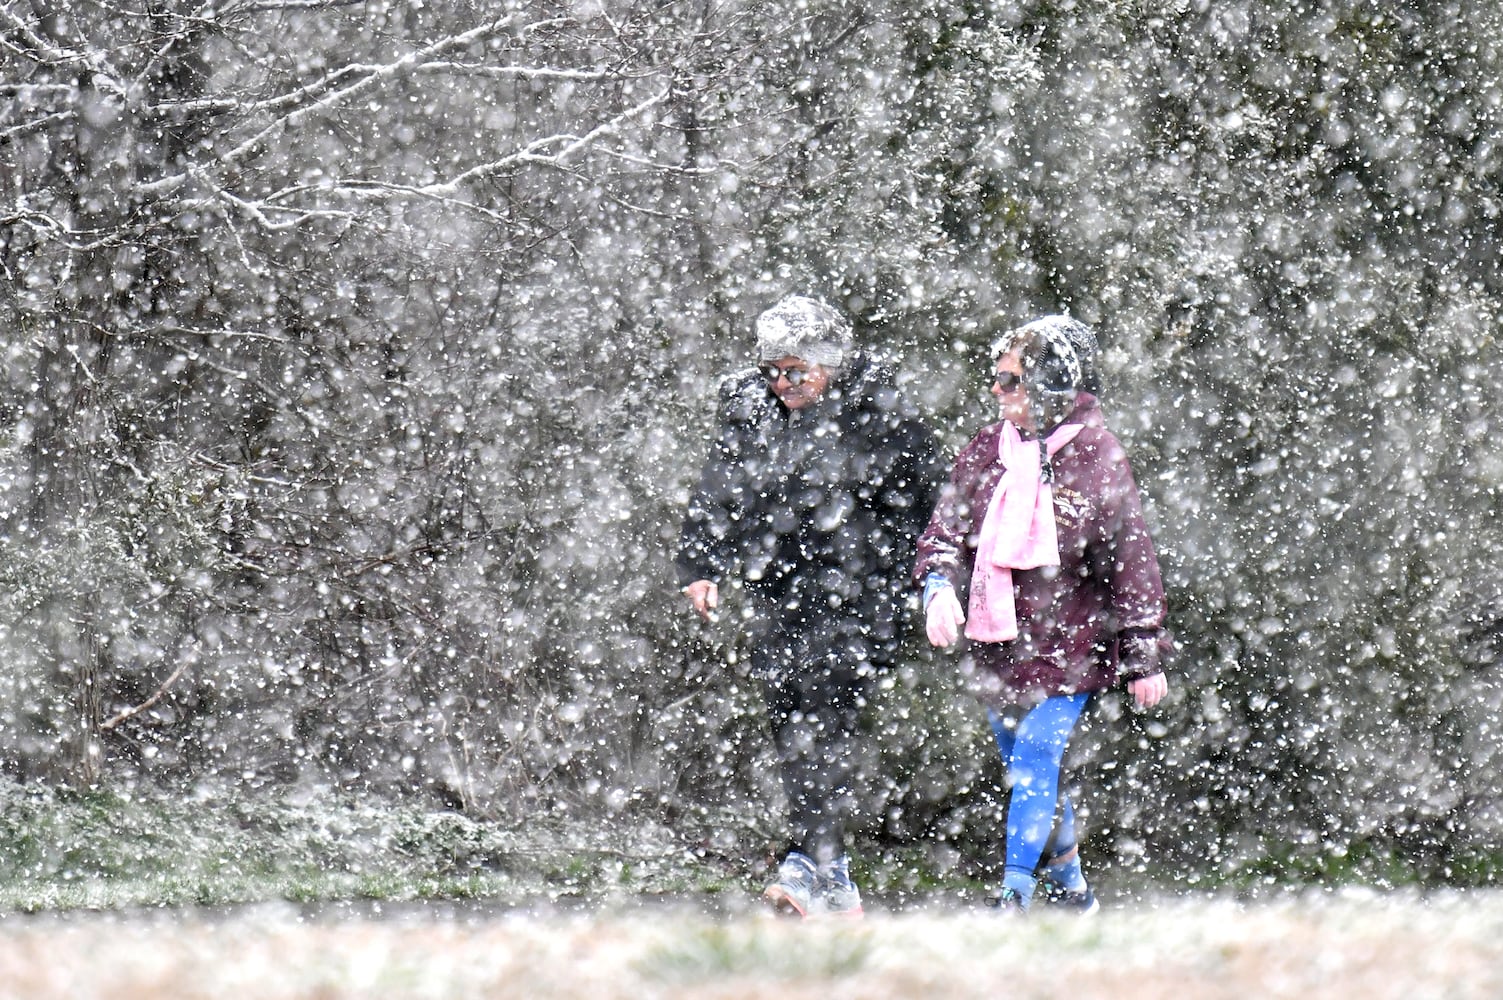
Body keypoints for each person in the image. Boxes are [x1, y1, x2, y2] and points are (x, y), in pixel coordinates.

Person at [677, 294, 942, 918]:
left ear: (830, 362)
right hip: (781, 585)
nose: (782, 383)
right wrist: (702, 565)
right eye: (772, 369)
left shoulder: (880, 410)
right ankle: (831, 870)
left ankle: (806, 862)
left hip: (862, 591)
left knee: (824, 710)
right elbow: (721, 483)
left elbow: (929, 500)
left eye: (796, 370)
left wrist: (925, 577)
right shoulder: (750, 409)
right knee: (789, 708)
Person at [914, 314, 1170, 915]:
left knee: (1033, 759)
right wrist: (937, 588)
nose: (998, 391)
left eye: (1012, 381)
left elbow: (1130, 557)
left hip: (1071, 644)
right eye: (997, 378)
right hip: (998, 640)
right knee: (1028, 769)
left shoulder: (1096, 455)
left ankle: (1015, 896)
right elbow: (946, 531)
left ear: (1053, 385)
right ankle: (1073, 888)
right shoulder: (985, 450)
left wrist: (1143, 652)